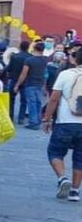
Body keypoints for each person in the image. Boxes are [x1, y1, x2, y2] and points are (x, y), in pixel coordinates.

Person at [42, 46, 82, 201]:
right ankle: (74, 191)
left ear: (75, 59)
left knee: (55, 152)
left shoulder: (66, 75)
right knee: (80, 158)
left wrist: (47, 118)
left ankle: (62, 178)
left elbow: (54, 99)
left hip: (65, 121)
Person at [13, 41, 49, 130]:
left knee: (32, 103)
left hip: (30, 84)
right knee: (38, 103)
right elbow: (46, 74)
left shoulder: (29, 60)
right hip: (40, 84)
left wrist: (17, 85)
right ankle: (38, 119)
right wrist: (45, 85)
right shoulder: (45, 60)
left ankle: (33, 122)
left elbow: (23, 74)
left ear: (34, 49)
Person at [6, 40, 32, 124]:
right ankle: (21, 118)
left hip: (14, 79)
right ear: (28, 48)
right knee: (24, 100)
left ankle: (10, 116)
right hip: (26, 80)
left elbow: (9, 68)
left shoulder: (14, 57)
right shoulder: (30, 57)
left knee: (11, 99)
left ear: (20, 47)